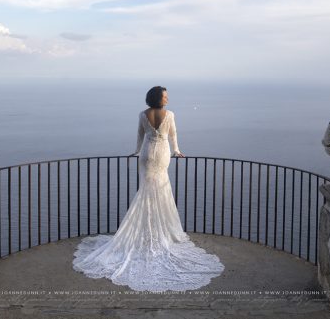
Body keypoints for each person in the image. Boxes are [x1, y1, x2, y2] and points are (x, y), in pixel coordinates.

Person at [72, 86, 224, 292]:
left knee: (146, 193)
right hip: (161, 155)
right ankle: (157, 234)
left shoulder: (143, 114)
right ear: (158, 98)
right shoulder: (169, 114)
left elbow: (140, 135)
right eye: (165, 95)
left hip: (145, 156)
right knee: (160, 192)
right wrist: (177, 150)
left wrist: (135, 151)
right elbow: (173, 135)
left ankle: (146, 232)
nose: (168, 98)